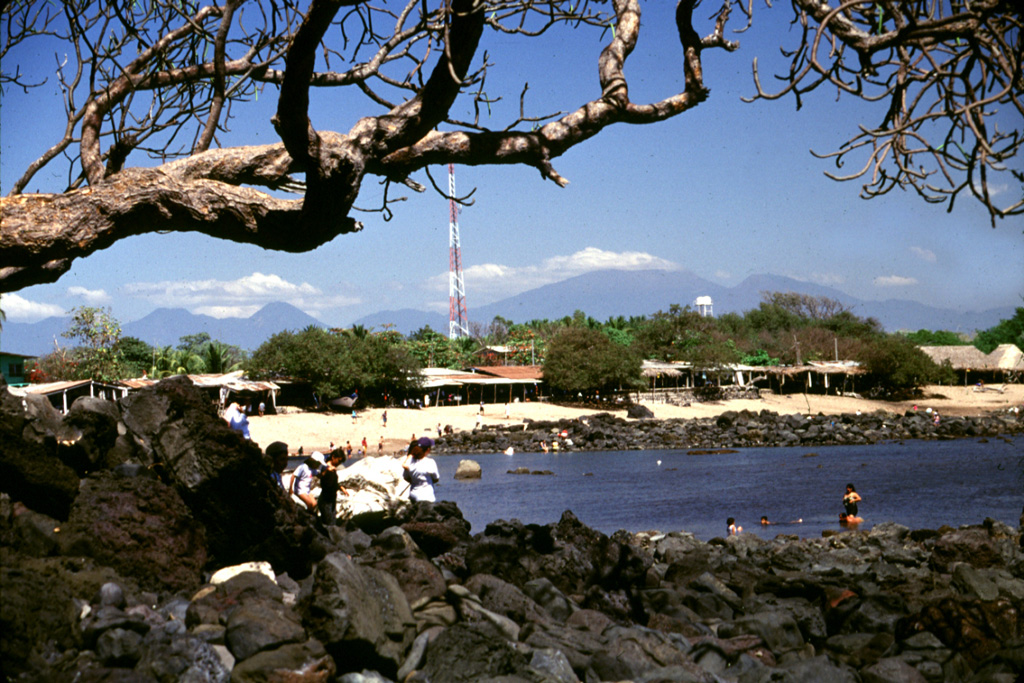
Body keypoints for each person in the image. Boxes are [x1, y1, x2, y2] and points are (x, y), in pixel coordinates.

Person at [317, 449, 350, 526]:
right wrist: (327, 471)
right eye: (339, 461)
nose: (339, 464)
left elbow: (334, 483)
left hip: (331, 500)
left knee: (332, 523)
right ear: (333, 457)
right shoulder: (326, 467)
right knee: (329, 525)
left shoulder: (333, 468)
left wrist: (341, 488)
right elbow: (322, 479)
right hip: (326, 501)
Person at [402, 436, 439, 502]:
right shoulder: (430, 462)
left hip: (413, 494)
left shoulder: (410, 461)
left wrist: (414, 481)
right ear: (428, 450)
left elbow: (406, 477)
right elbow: (436, 478)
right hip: (427, 496)